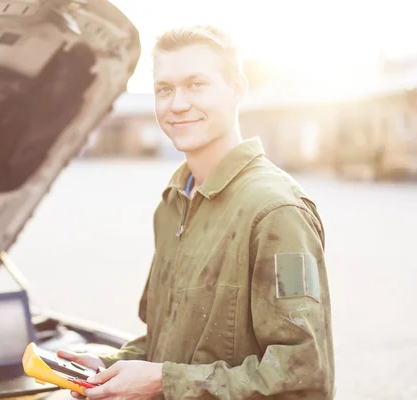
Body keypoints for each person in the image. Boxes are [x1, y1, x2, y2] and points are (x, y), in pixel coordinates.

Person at [58, 24, 335, 400]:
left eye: (196, 84)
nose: (177, 104)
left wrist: (162, 383)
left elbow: (304, 376)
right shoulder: (173, 204)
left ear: (237, 89)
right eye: (164, 89)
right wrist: (114, 366)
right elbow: (170, 341)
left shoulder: (277, 212)